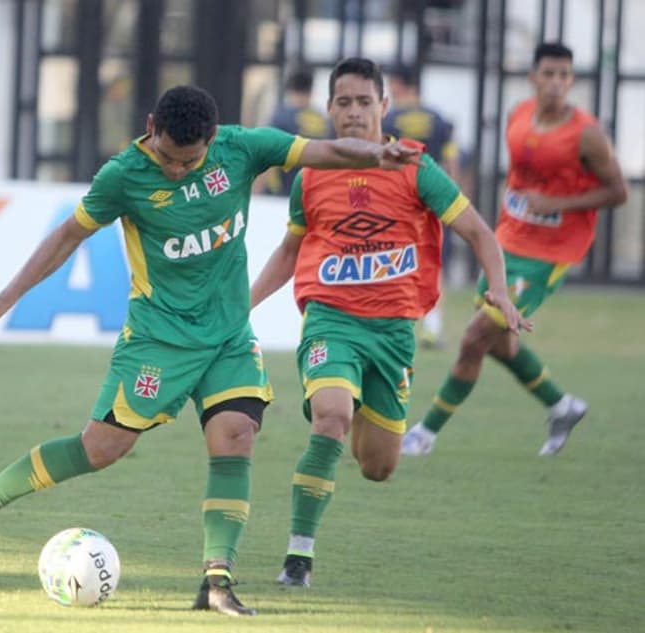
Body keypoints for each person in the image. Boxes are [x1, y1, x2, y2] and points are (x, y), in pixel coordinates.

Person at [0, 85, 420, 616]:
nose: (173, 168)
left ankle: (217, 580)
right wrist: (8, 296)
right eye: (166, 156)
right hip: (158, 340)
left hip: (229, 337)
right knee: (101, 449)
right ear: (151, 125)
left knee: (236, 437)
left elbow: (320, 151)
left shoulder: (242, 148)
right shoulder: (124, 175)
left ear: (211, 141)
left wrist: (380, 154)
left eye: (187, 160)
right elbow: (67, 236)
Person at [249, 57, 528, 588]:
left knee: (378, 467)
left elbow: (481, 233)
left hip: (395, 331)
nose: (353, 112)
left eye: (363, 102)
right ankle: (297, 559)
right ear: (328, 109)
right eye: (343, 102)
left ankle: (353, 412)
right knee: (329, 416)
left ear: (384, 105)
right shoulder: (309, 176)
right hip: (332, 321)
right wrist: (243, 306)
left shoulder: (416, 169)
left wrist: (496, 288)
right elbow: (290, 251)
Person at [401, 42, 628, 458]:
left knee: (473, 338)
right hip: (507, 241)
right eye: (549, 74)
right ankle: (561, 405)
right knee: (498, 342)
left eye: (565, 74)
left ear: (571, 80)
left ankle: (424, 433)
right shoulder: (518, 116)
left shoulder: (587, 134)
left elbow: (618, 192)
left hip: (550, 253)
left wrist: (558, 204)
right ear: (534, 77)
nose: (557, 82)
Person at [383, 63, 462, 349]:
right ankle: (432, 328)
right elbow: (452, 159)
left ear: (400, 85)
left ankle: (396, 319)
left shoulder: (390, 119)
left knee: (395, 257)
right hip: (432, 197)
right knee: (434, 261)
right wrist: (450, 196)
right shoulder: (439, 119)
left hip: (399, 199)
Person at [256, 67, 330, 195]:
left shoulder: (281, 118)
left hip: (282, 195)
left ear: (289, 90)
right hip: (315, 193)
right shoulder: (323, 120)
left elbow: (265, 155)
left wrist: (256, 193)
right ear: (311, 90)